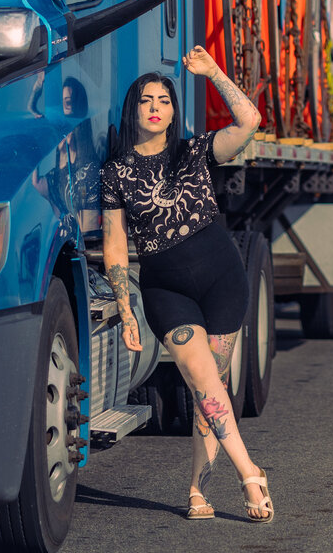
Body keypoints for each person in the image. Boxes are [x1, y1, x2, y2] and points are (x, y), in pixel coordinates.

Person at [99, 45, 273, 522]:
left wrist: (212, 71)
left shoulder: (194, 151)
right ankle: (250, 473)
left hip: (222, 280)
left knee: (206, 398)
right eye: (146, 100)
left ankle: (198, 487)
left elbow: (250, 120)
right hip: (165, 290)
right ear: (133, 108)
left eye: (165, 100)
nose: (156, 108)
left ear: (174, 111)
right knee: (201, 380)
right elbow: (115, 247)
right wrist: (125, 307)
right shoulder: (116, 173)